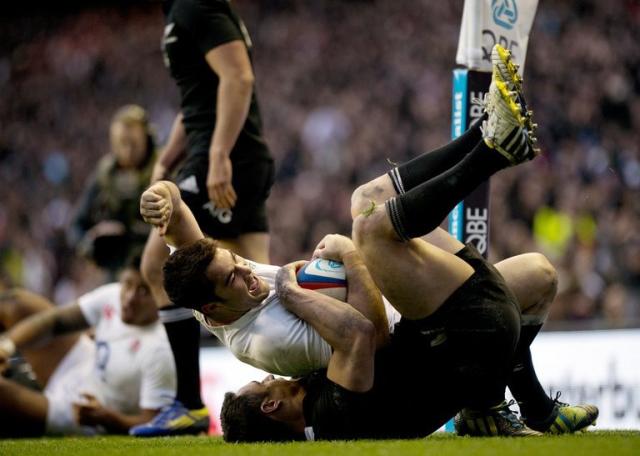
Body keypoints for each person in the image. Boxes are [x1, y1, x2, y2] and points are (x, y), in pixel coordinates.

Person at [142, 46, 598, 439]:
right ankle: (493, 150)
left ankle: (522, 405)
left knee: (537, 274)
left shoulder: (213, 286)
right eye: (233, 279)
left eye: (236, 263)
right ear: (216, 308)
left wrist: (161, 193)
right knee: (368, 230)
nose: (247, 270)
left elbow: (184, 230)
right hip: (422, 333)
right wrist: (339, 260)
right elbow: (372, 336)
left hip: (429, 326)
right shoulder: (271, 344)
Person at [132, 0, 275, 435]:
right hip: (230, 155)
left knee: (158, 266)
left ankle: (189, 403)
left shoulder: (195, 4)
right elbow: (196, 99)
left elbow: (239, 76)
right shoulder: (184, 9)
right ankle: (310, 388)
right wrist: (166, 161)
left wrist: (217, 155)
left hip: (227, 156)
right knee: (265, 287)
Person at [0, 255, 176, 437]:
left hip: (85, 409)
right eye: (128, 284)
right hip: (81, 364)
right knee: (16, 304)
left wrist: (106, 417)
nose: (130, 297)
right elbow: (55, 321)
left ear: (161, 294)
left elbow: (153, 422)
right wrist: (6, 346)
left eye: (143, 291)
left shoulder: (160, 349)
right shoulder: (113, 295)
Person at [68, 105, 156, 279]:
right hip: (117, 272)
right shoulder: (104, 174)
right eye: (122, 143)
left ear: (147, 139)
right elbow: (76, 226)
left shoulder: (163, 168)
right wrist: (91, 242)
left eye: (134, 143)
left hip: (155, 265)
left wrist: (126, 232)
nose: (128, 151)